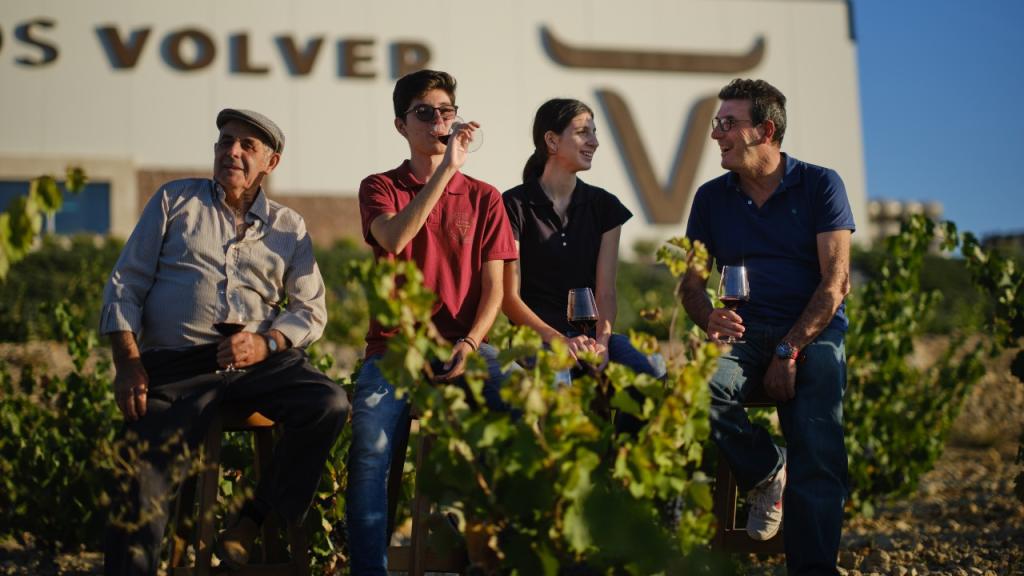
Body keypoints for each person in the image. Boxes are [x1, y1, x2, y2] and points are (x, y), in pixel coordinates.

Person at [100, 109, 350, 575]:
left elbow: (311, 309)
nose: (231, 151)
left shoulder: (289, 226)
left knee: (328, 404)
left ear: (270, 163)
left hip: (258, 359)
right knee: (142, 469)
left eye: (246, 146)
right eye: (224, 141)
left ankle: (251, 523)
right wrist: (128, 362)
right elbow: (125, 284)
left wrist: (268, 343)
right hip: (178, 364)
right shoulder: (175, 200)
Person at [346, 69, 518, 575]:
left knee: (517, 421)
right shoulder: (380, 186)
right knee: (369, 456)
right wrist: (445, 171)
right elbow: (394, 239)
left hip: (465, 347)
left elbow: (495, 291)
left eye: (447, 111)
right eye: (425, 112)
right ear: (401, 124)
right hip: (395, 351)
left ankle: (491, 561)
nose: (439, 121)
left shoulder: (486, 197)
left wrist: (469, 342)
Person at [679, 79, 853, 574]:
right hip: (742, 332)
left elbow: (836, 283)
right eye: (717, 123)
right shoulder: (710, 198)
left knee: (818, 447)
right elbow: (691, 284)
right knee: (696, 390)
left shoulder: (821, 184)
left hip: (813, 331)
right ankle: (765, 468)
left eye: (728, 124)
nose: (717, 134)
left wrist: (789, 350)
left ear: (766, 130)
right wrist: (707, 315)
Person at [502, 98, 663, 388]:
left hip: (592, 339)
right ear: (551, 140)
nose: (595, 142)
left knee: (646, 381)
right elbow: (510, 298)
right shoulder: (513, 205)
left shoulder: (605, 207)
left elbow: (606, 295)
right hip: (534, 339)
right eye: (583, 132)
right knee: (559, 382)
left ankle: (623, 437)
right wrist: (559, 340)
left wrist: (602, 342)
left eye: (594, 132)